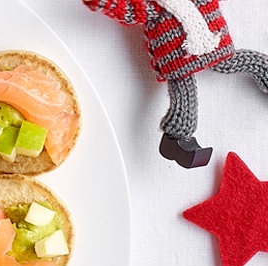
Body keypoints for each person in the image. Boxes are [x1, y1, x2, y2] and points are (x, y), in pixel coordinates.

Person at [83, 0, 268, 168]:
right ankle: (177, 140)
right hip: (178, 58)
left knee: (234, 62)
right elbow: (125, 8)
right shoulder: (152, 6)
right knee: (183, 96)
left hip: (214, 44)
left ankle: (264, 71)